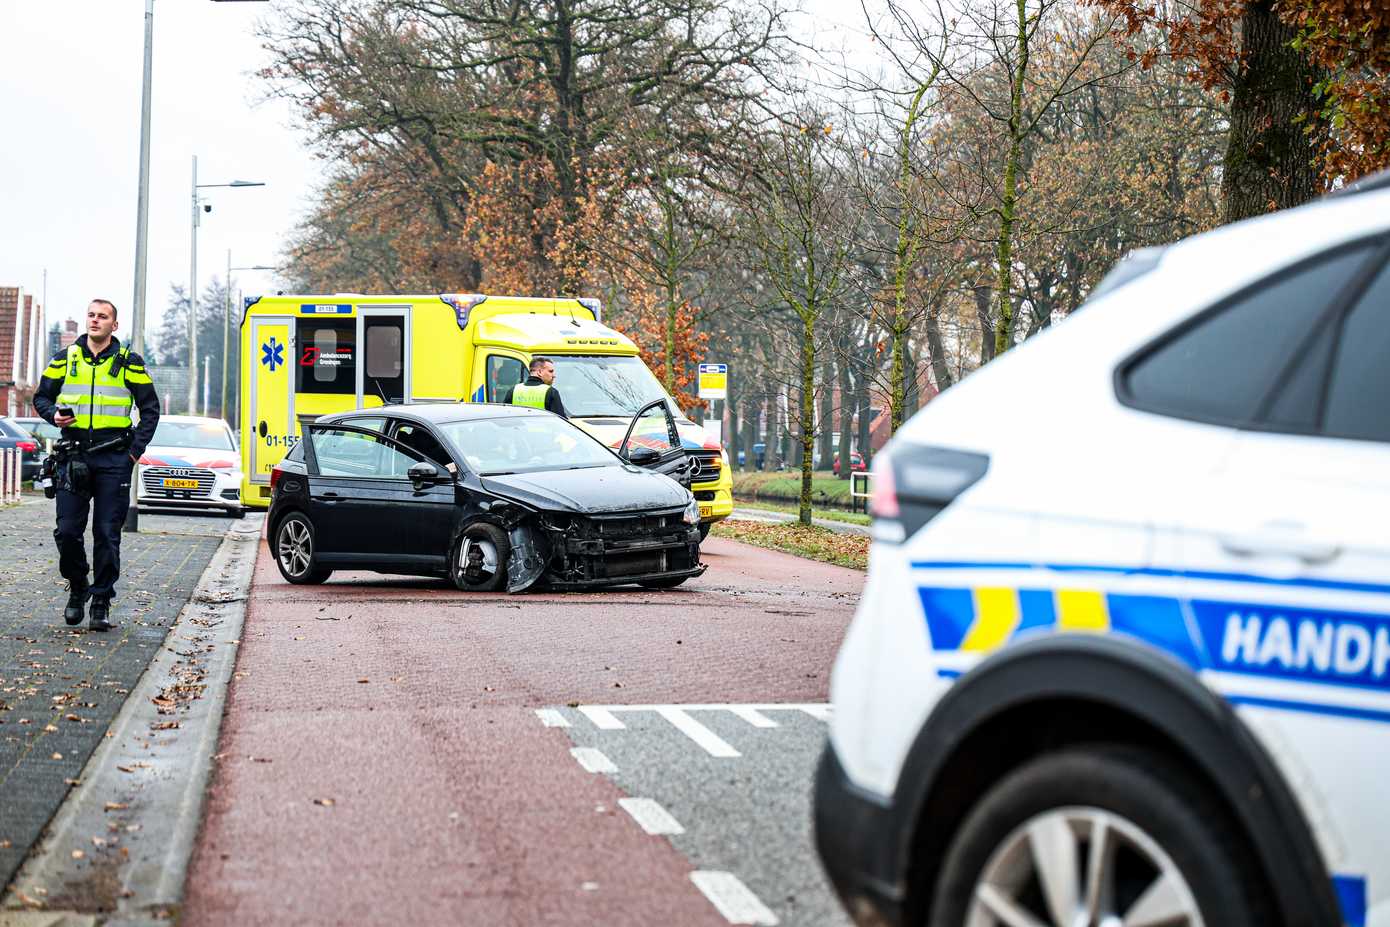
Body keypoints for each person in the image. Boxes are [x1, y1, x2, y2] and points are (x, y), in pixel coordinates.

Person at [33, 299, 159, 631]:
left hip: (114, 457)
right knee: (68, 532)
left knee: (106, 533)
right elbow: (41, 397)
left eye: (102, 317)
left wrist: (134, 452)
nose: (95, 320)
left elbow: (150, 410)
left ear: (113, 326)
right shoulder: (65, 359)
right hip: (73, 455)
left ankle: (100, 601)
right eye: (91, 315)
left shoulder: (129, 362)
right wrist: (53, 415)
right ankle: (78, 588)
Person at [501, 356, 568, 419]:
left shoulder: (513, 390)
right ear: (539, 372)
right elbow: (561, 421)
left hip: (520, 431)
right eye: (550, 371)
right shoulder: (551, 392)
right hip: (544, 431)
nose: (554, 375)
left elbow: (505, 418)